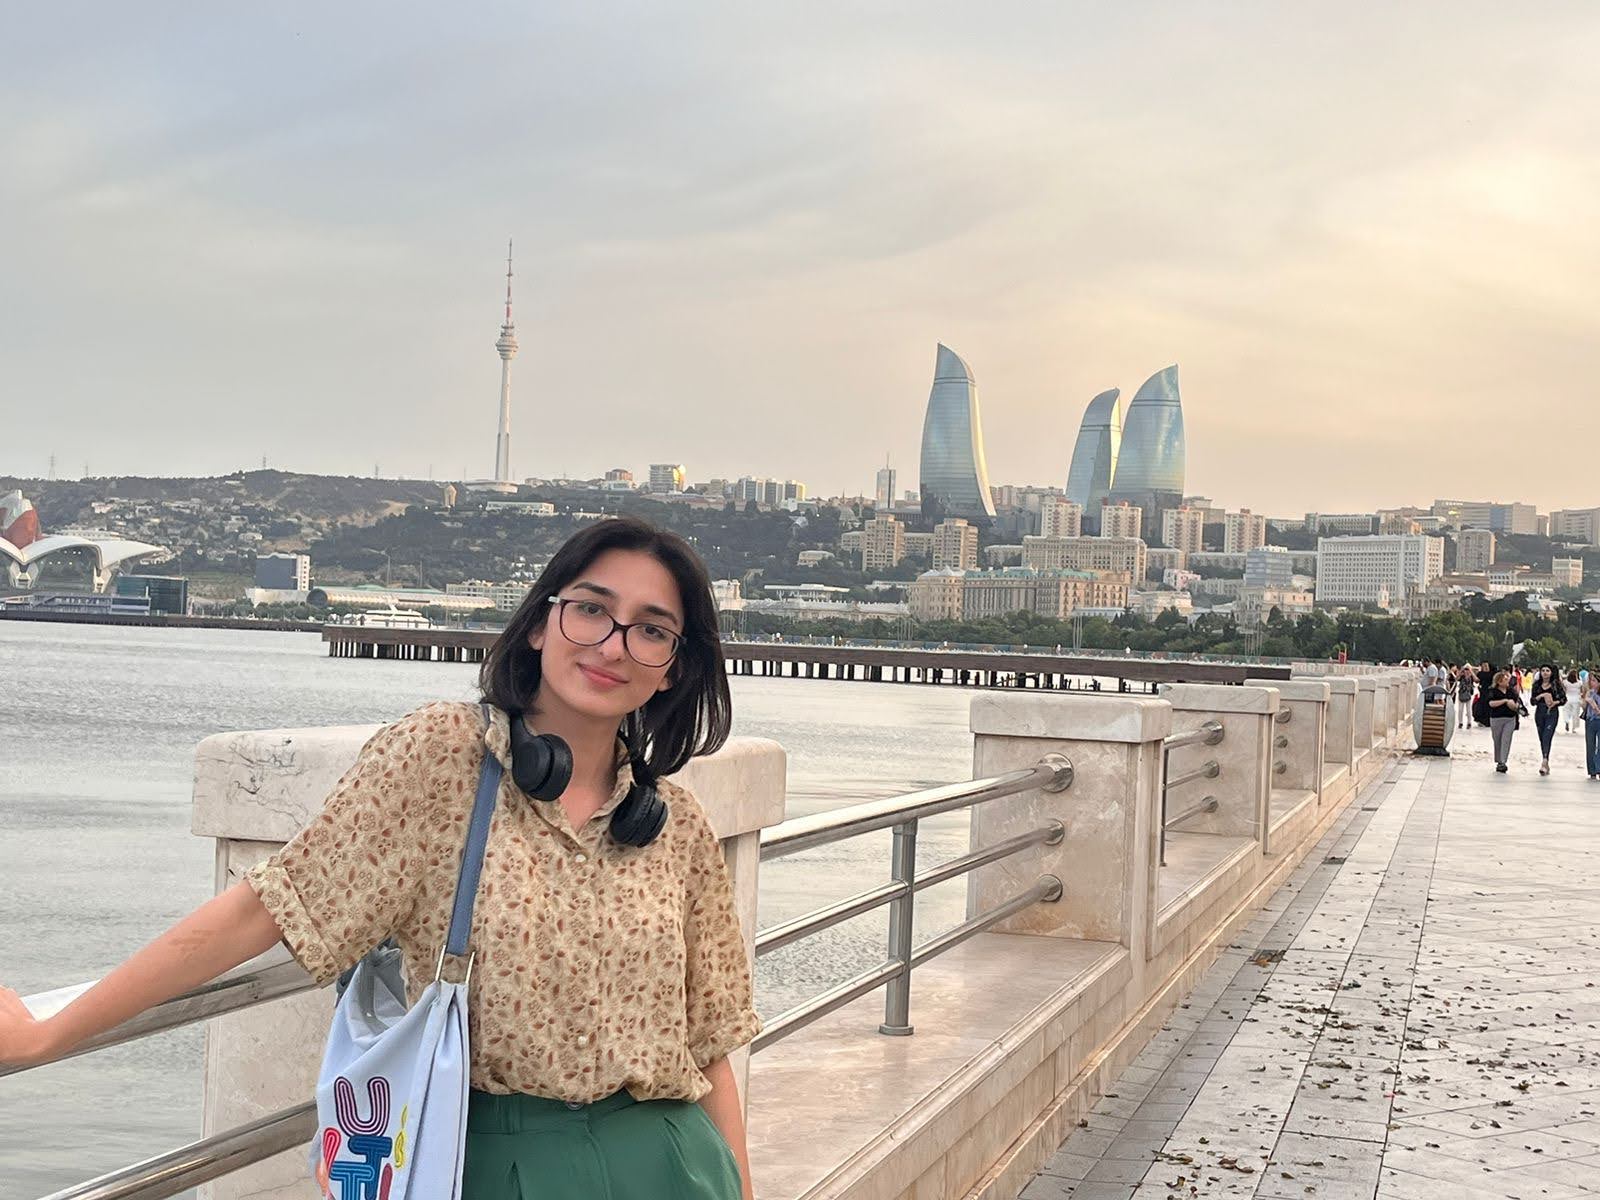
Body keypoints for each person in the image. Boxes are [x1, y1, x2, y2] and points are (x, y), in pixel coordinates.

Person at [0, 518, 762, 1200]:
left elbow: (710, 1049)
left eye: (651, 629)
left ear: (673, 665)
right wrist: (52, 1033)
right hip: (491, 1162)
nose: (613, 645)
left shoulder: (675, 826)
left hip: (673, 1165)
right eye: (591, 609)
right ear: (540, 622)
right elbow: (270, 908)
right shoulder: (442, 760)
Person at [1486, 669, 1528, 773]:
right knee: (1497, 740)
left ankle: (1503, 761)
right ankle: (1498, 759)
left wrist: (1516, 706)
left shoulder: (1511, 691)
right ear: (1499, 681)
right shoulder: (1493, 691)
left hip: (1510, 718)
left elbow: (1518, 702)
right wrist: (1505, 701)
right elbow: (1491, 704)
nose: (1507, 681)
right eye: (1505, 679)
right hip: (1496, 718)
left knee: (1506, 739)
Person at [1530, 665, 1567, 776]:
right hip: (1540, 712)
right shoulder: (1536, 685)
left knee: (1547, 736)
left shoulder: (1556, 685)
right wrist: (1542, 695)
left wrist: (1555, 702)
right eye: (1543, 670)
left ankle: (1544, 761)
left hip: (1552, 712)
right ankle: (1545, 759)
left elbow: (1563, 699)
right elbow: (1532, 701)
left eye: (1547, 670)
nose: (1545, 672)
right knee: (1542, 737)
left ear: (1551, 672)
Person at [1584, 676, 1600, 781]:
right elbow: (1584, 705)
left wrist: (1594, 705)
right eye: (1590, 680)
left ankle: (1599, 768)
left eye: (1594, 680)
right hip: (1590, 720)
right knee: (1590, 746)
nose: (1591, 682)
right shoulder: (1590, 693)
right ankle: (1592, 770)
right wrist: (1587, 700)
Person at [1473, 661, 1495, 727]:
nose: (1485, 667)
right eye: (1483, 666)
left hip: (1490, 693)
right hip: (1483, 693)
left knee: (1489, 707)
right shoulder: (1481, 674)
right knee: (1481, 707)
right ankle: (1482, 721)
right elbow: (1476, 681)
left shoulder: (1492, 673)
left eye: (1486, 666)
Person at [1456, 663, 1476, 730]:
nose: (1467, 671)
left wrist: (1471, 672)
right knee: (1460, 709)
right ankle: (1460, 722)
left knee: (1469, 709)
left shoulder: (1471, 677)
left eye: (1468, 669)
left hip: (1468, 694)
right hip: (1461, 694)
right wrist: (1461, 671)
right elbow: (1456, 678)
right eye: (1466, 669)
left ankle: (1469, 723)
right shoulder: (1462, 676)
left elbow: (1477, 680)